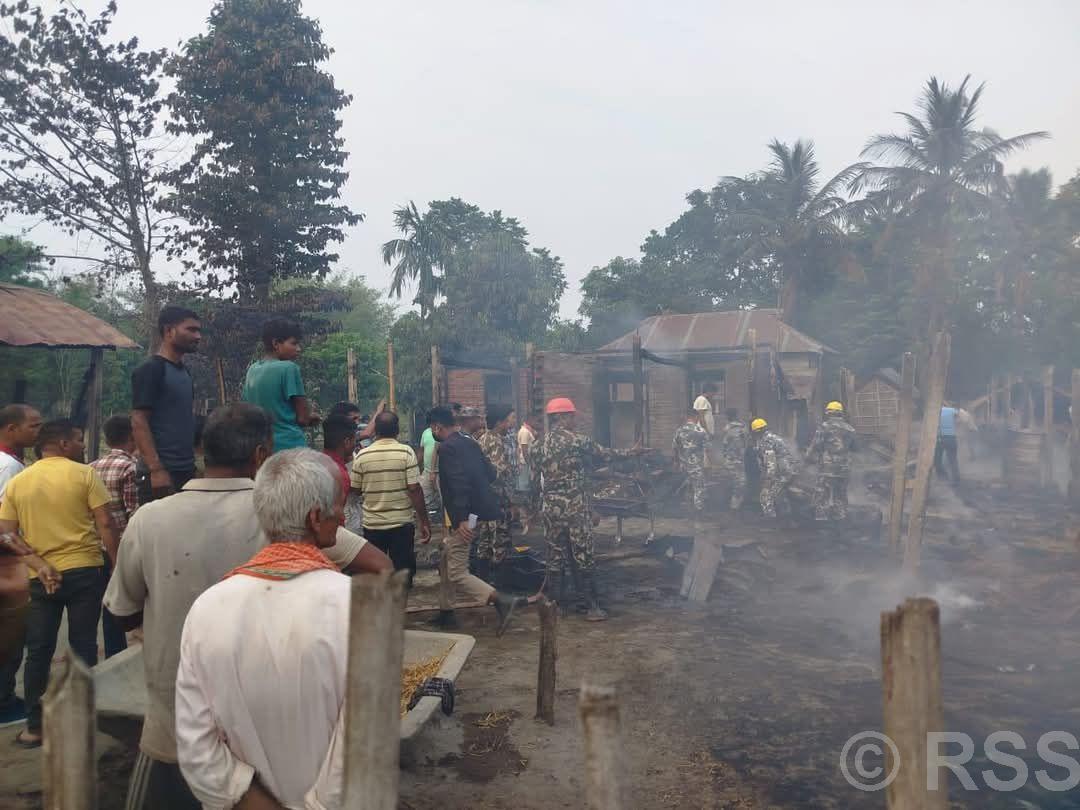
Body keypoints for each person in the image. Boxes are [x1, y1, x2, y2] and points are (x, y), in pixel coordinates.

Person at [104, 404, 389, 810]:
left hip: (181, 733)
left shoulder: (150, 521)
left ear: (203, 449)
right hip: (298, 746)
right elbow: (378, 567)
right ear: (260, 455)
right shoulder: (285, 511)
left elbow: (121, 612)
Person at [175, 449, 357, 808]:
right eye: (339, 506)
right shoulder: (357, 607)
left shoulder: (207, 607)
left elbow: (195, 747)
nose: (343, 516)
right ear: (316, 517)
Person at [0, 419, 119, 748]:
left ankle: (35, 727)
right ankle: (80, 723)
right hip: (84, 572)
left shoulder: (20, 482)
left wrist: (38, 563)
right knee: (82, 648)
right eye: (80, 439)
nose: (83, 445)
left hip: (42, 578)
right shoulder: (84, 475)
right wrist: (117, 564)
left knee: (38, 651)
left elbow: (7, 533)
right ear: (64, 444)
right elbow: (106, 522)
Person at [532, 397, 643, 621]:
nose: (574, 420)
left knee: (555, 557)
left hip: (551, 509)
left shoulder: (537, 445)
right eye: (572, 416)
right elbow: (606, 454)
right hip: (574, 508)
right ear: (562, 417)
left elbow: (537, 479)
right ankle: (591, 607)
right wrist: (633, 452)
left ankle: (555, 606)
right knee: (583, 555)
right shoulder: (577, 441)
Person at [430, 405, 531, 635]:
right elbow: (491, 474)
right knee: (447, 557)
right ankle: (446, 612)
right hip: (475, 513)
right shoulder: (470, 443)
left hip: (464, 515)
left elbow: (458, 485)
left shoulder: (447, 448)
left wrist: (461, 519)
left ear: (437, 427)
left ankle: (501, 600)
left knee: (457, 571)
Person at [350, 411, 430, 587]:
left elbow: (355, 490)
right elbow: (415, 489)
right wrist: (424, 521)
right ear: (397, 431)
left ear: (375, 431)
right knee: (402, 576)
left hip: (372, 525)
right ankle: (399, 611)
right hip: (401, 525)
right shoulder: (406, 452)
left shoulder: (362, 456)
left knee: (376, 577)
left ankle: (380, 611)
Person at [0, 403, 42, 728]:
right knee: (11, 635)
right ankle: (3, 702)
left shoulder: (10, 463)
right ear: (11, 429)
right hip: (7, 564)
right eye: (33, 426)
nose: (38, 431)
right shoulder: (9, 469)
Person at [131, 306, 201, 502]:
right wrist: (156, 469)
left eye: (199, 330)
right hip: (162, 473)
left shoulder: (184, 372)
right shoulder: (151, 369)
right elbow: (139, 420)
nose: (198, 336)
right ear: (169, 331)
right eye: (191, 329)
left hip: (185, 469)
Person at [89, 414, 138, 659]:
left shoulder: (91, 467)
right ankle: (123, 655)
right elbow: (134, 512)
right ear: (132, 436)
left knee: (105, 604)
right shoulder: (131, 467)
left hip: (96, 547)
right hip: (123, 548)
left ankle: (111, 653)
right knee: (126, 602)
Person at [242, 318, 320, 453]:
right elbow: (303, 418)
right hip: (289, 446)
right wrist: (313, 417)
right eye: (294, 343)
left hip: (261, 448)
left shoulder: (252, 369)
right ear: (276, 343)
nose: (298, 349)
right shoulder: (289, 368)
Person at [475, 405, 516, 579]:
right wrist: (512, 501)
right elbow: (499, 474)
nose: (511, 424)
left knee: (483, 541)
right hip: (496, 500)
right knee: (500, 540)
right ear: (500, 422)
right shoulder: (496, 441)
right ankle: (500, 584)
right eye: (509, 420)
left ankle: (482, 582)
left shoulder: (482, 439)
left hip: (482, 499)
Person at [806, 401, 857, 521]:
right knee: (840, 493)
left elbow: (816, 445)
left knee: (823, 492)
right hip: (844, 467)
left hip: (828, 467)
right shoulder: (850, 429)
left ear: (828, 413)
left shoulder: (824, 427)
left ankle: (821, 518)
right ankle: (841, 517)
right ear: (840, 413)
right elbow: (855, 448)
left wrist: (807, 458)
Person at [751, 418, 798, 519]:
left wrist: (768, 480)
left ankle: (771, 521)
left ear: (756, 432)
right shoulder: (774, 437)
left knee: (766, 496)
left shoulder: (766, 441)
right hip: (789, 470)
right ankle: (787, 518)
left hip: (782, 473)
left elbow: (771, 463)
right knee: (781, 493)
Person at [673, 406, 710, 514]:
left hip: (683, 466)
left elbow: (674, 448)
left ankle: (687, 511)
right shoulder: (701, 431)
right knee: (699, 488)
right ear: (696, 417)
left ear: (686, 417)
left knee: (687, 487)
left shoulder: (679, 431)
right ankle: (698, 512)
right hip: (696, 466)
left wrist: (676, 462)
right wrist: (708, 463)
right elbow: (707, 449)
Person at [717, 408, 749, 511]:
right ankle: (734, 507)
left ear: (727, 417)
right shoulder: (743, 428)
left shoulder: (726, 429)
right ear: (736, 415)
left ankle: (726, 505)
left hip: (729, 460)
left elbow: (724, 446)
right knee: (740, 483)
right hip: (739, 460)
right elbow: (747, 444)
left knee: (729, 482)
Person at [418, 409, 442, 519]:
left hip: (441, 471)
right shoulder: (426, 432)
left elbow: (437, 452)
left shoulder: (442, 432)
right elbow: (421, 450)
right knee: (423, 494)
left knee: (442, 498)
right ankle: (428, 519)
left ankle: (443, 522)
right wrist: (418, 465)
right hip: (428, 471)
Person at [935, 403, 961, 481]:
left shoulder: (935, 411)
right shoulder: (951, 410)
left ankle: (942, 476)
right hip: (951, 438)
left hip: (940, 438)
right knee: (953, 460)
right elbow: (962, 416)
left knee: (937, 458)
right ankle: (956, 479)